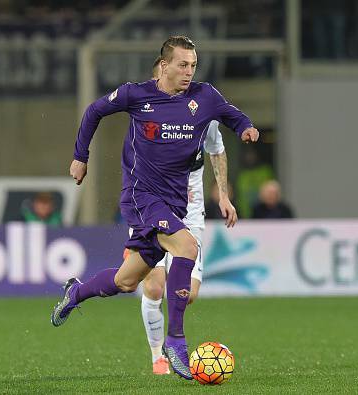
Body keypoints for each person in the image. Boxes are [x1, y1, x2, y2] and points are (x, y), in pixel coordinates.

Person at [50, 35, 259, 380]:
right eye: (182, 65)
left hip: (175, 202)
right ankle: (175, 341)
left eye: (193, 65)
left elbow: (232, 115)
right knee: (186, 246)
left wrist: (247, 127)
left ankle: (76, 292)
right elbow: (94, 111)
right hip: (141, 196)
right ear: (164, 65)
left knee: (126, 281)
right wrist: (80, 156)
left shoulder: (204, 97)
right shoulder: (137, 95)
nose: (189, 71)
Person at [137, 56, 236, 375]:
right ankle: (158, 357)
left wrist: (223, 194)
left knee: (187, 294)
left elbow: (217, 150)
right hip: (151, 208)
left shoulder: (202, 115)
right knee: (153, 287)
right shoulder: (144, 115)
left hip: (190, 211)